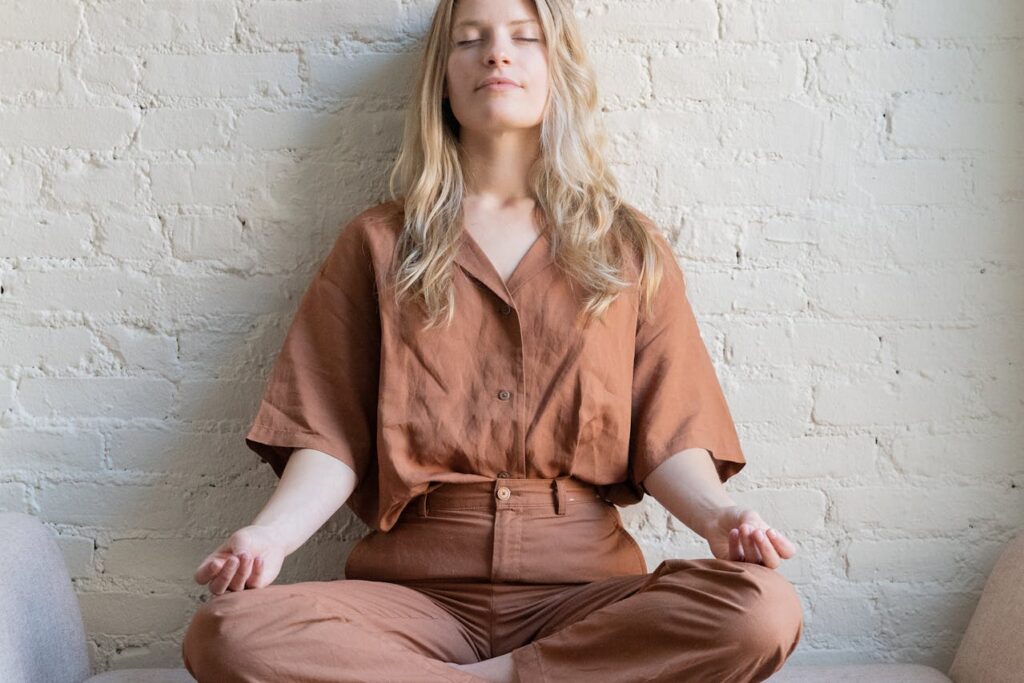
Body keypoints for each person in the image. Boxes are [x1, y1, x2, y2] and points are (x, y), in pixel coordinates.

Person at [180, 0, 804, 681]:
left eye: (524, 38)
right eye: (469, 40)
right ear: (441, 81)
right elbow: (328, 434)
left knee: (761, 610)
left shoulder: (626, 248)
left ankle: (493, 676)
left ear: (557, 68)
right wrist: (271, 535)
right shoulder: (378, 245)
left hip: (587, 599)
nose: (496, 54)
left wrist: (719, 516)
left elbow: (670, 435)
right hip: (413, 598)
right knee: (227, 633)